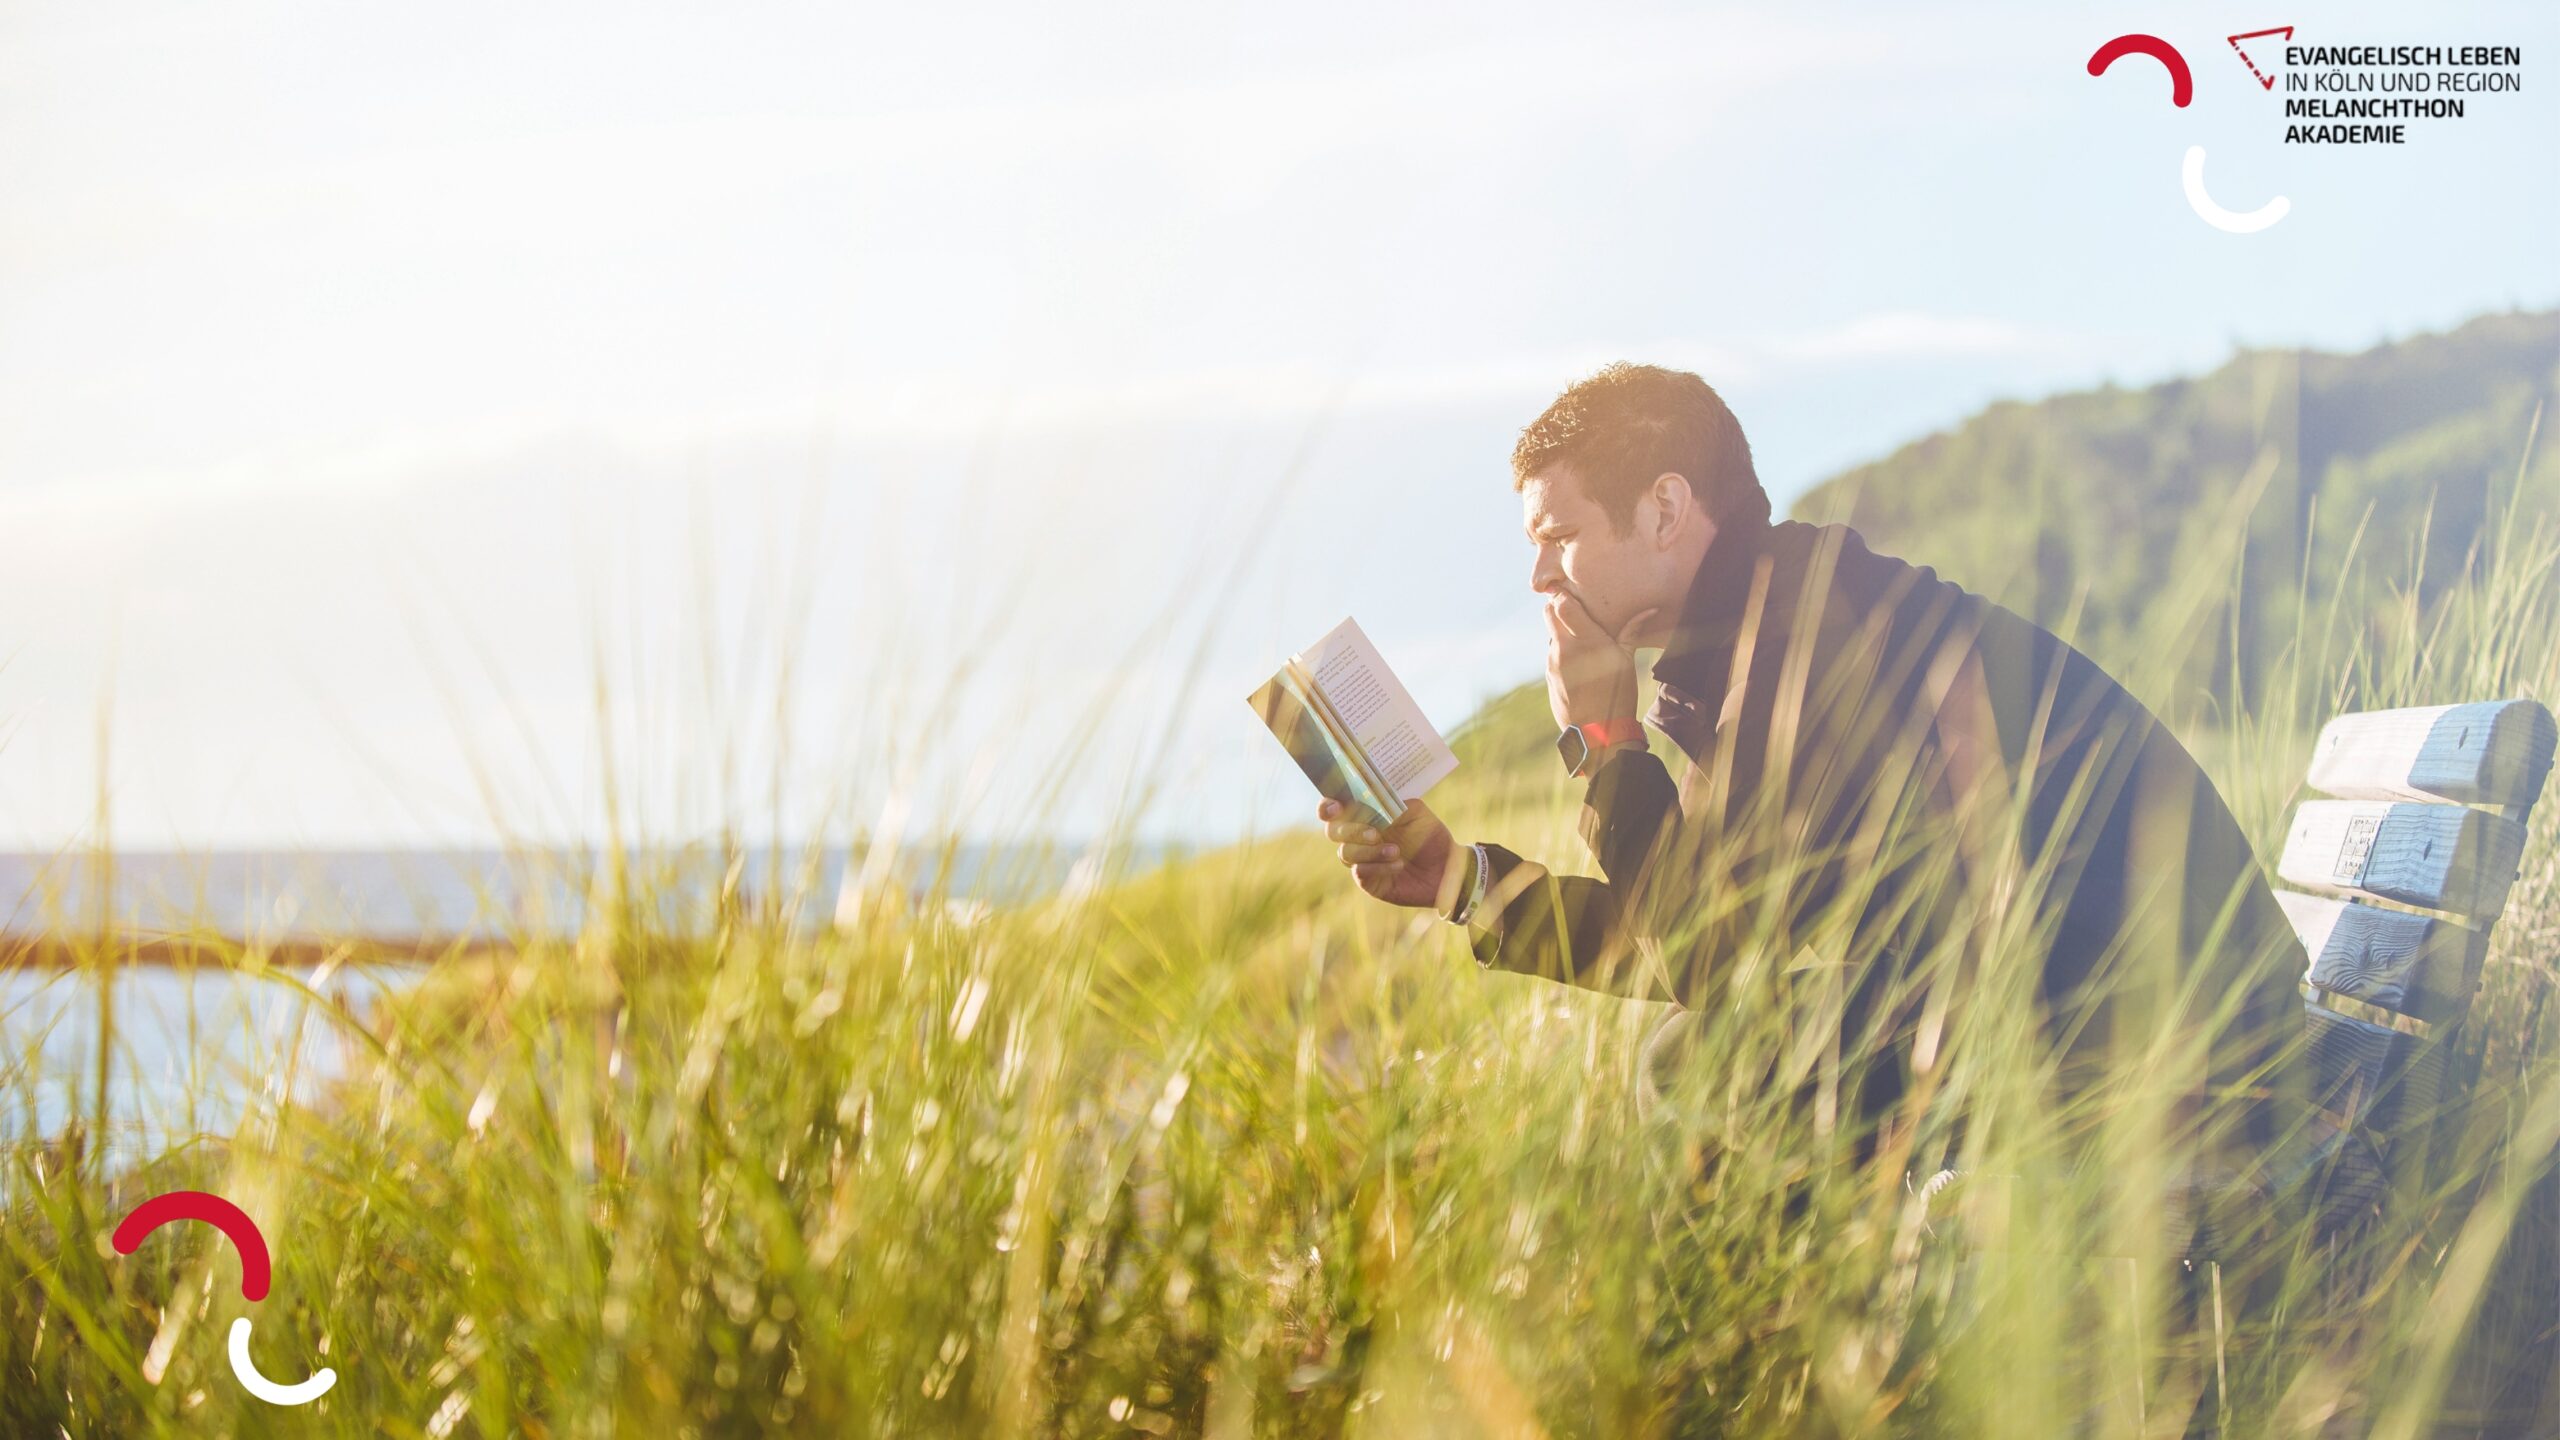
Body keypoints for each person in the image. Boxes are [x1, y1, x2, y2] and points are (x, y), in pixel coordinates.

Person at [1317, 362, 2310, 1259]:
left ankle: (1804, 1388)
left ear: (1665, 509)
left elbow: (1697, 954)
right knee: (1727, 1054)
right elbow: (1709, 932)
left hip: (2184, 1060)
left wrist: (1609, 744)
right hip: (2106, 1020)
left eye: (1558, 537)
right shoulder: (1767, 628)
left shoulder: (1809, 640)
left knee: (1708, 1066)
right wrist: (1459, 881)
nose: (1539, 578)